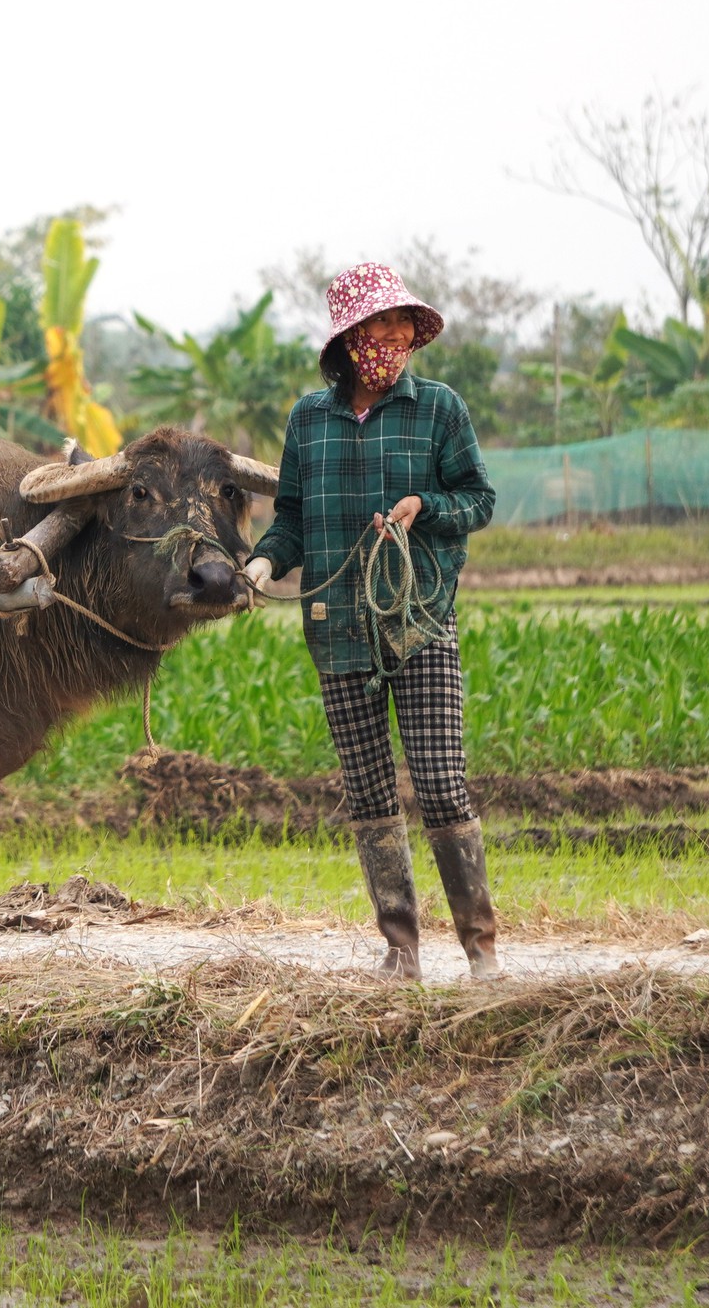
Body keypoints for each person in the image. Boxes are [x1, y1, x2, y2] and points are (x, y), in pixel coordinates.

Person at [244, 262, 500, 981]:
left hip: (419, 621)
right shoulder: (309, 420)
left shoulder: (440, 409)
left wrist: (426, 506)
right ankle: (400, 947)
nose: (392, 335)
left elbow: (479, 499)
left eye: (401, 323)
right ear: (349, 337)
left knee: (441, 782)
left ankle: (480, 948)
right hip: (339, 631)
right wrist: (263, 563)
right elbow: (291, 520)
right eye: (378, 323)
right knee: (368, 791)